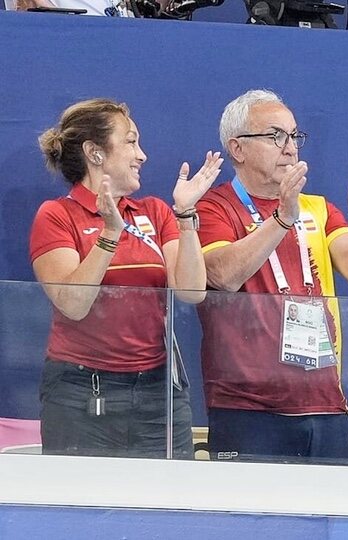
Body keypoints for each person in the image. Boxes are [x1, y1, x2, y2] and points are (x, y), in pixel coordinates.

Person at [195, 89, 348, 464]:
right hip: (247, 407)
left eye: (294, 136)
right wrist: (280, 219)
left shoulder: (318, 208)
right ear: (237, 149)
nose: (290, 148)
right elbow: (222, 275)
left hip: (325, 403)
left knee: (333, 519)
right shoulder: (212, 206)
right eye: (276, 136)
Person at [30, 98, 222, 458]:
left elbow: (193, 291)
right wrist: (109, 235)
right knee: (83, 504)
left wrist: (185, 214)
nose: (143, 155)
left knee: (168, 503)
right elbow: (73, 303)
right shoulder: (56, 215)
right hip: (81, 392)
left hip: (158, 392)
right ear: (95, 152)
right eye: (131, 141)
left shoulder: (154, 211)